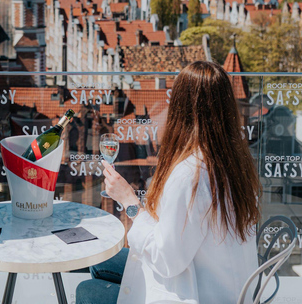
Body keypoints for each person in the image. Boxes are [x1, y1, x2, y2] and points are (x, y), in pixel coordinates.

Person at [77, 61, 260, 304]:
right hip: (228, 287)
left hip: (199, 292)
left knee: (87, 291)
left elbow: (167, 260)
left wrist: (129, 202)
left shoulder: (190, 174)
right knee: (99, 262)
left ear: (181, 108)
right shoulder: (235, 161)